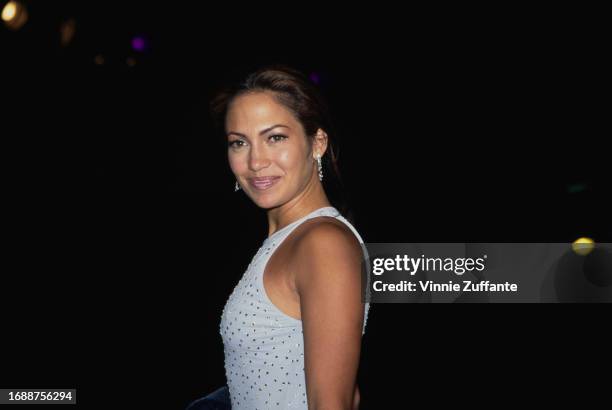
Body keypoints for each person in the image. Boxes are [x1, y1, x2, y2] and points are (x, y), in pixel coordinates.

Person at [188, 65, 370, 410]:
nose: (256, 161)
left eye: (275, 137)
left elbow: (332, 403)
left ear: (317, 142)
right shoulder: (292, 239)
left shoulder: (322, 244)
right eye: (239, 143)